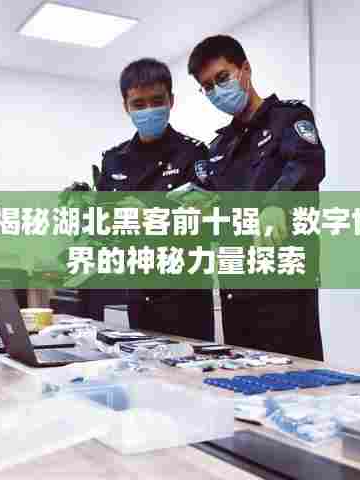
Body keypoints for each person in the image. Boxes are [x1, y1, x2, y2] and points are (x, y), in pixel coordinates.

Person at [187, 35, 325, 360]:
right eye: (207, 87)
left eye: (222, 78)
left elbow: (307, 163)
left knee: (296, 378)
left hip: (284, 287)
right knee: (243, 379)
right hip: (236, 288)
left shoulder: (288, 118)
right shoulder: (219, 147)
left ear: (245, 69)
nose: (216, 91)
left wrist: (276, 205)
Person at [95, 58, 215, 341]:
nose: (148, 110)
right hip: (138, 293)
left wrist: (148, 217)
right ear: (126, 106)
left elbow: (206, 221)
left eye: (157, 101)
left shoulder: (193, 153)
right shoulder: (114, 160)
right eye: (138, 104)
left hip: (186, 297)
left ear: (171, 100)